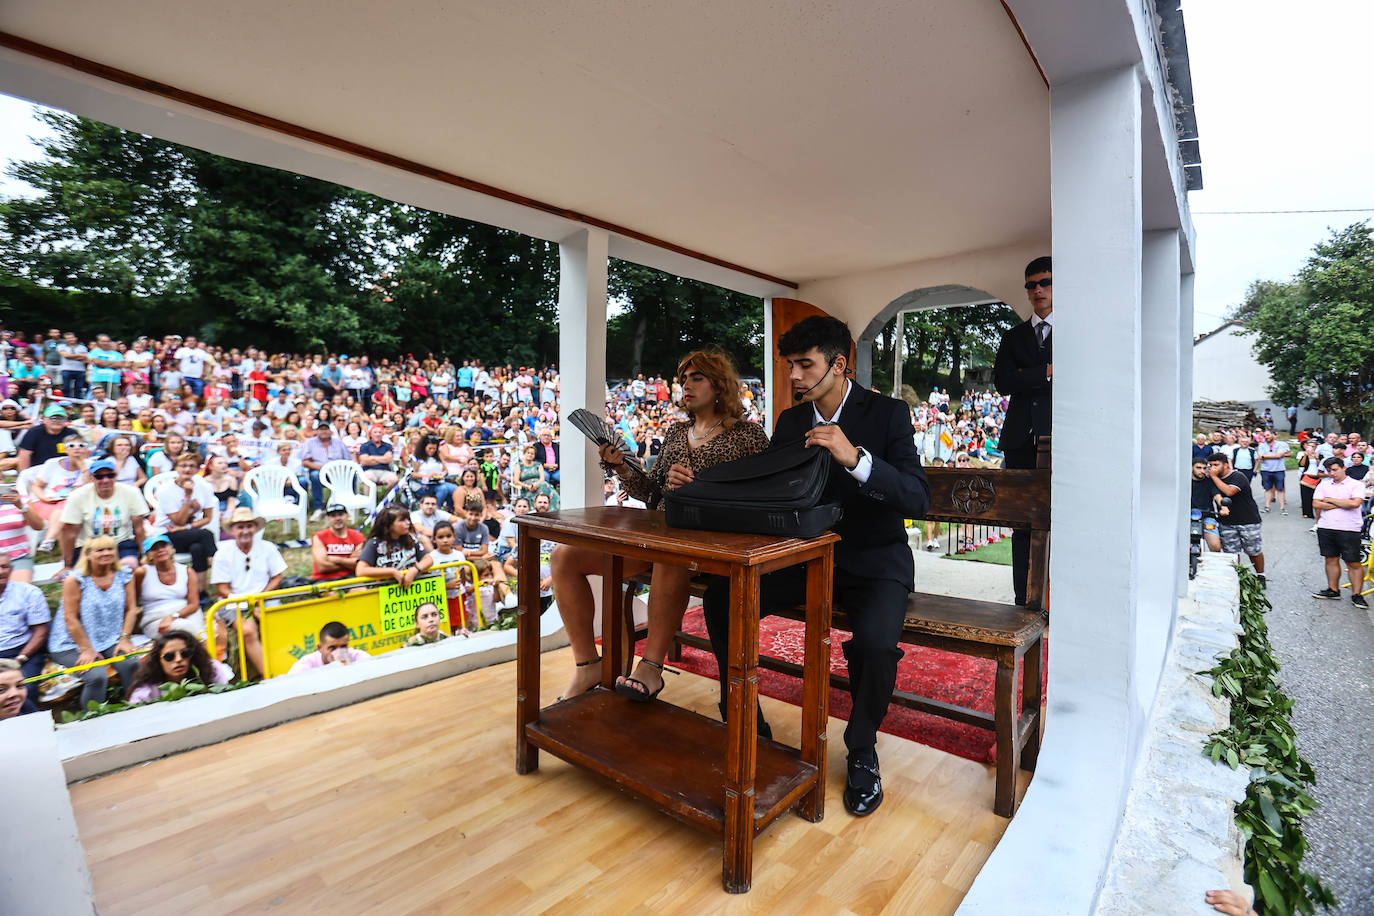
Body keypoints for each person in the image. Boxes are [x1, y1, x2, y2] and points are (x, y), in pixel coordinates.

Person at [701, 318, 929, 818]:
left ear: (839, 364)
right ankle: (742, 716)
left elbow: (917, 495)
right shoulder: (789, 422)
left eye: (806, 365)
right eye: (790, 366)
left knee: (875, 644)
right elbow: (765, 489)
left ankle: (863, 746)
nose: (795, 376)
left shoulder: (888, 414)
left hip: (874, 559)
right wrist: (698, 479)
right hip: (802, 559)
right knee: (720, 595)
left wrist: (856, 458)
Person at [993, 256, 1053, 606]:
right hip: (1018, 440)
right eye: (1031, 285)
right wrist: (1045, 372)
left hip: (1059, 440)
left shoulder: (1074, 330)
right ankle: (1022, 598)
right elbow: (1002, 382)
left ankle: (1053, 599)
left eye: (1044, 282)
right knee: (1020, 524)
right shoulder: (1013, 336)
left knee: (1056, 522)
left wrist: (1024, 375)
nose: (1037, 290)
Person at [46, 536, 142, 710]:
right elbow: (70, 618)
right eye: (100, 550)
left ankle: (136, 706)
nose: (106, 553)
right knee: (97, 676)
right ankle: (92, 718)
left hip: (109, 637)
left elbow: (131, 609)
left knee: (132, 663)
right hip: (71, 643)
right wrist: (86, 649)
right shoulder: (75, 580)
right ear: (88, 555)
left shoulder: (124, 575)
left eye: (110, 549)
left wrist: (125, 638)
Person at [209, 508, 286, 678]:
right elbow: (222, 588)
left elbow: (277, 577)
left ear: (255, 528)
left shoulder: (267, 547)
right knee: (248, 630)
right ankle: (269, 675)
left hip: (265, 597)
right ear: (233, 530)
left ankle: (286, 665)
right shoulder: (223, 553)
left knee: (277, 623)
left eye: (249, 526)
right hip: (235, 601)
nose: (245, 531)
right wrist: (248, 602)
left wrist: (260, 598)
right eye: (240, 527)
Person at [58, 457, 149, 573]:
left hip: (121, 543)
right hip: (88, 546)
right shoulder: (77, 496)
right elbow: (70, 533)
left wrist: (143, 556)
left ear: (115, 476)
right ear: (91, 478)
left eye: (110, 476)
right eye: (99, 477)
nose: (105, 480)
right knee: (87, 572)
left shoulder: (131, 492)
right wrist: (67, 565)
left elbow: (139, 529)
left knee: (129, 566)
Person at [1310, 456, 1367, 608]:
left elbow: (1355, 503)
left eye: (1335, 470)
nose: (1332, 473)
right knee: (1330, 559)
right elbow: (1316, 503)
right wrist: (1342, 503)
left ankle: (1357, 594)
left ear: (1343, 468)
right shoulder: (1324, 485)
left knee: (1353, 561)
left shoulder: (1356, 485)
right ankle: (1333, 589)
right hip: (1326, 526)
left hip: (1349, 528)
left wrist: (1330, 500)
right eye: (1329, 471)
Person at [148, 453, 218, 574]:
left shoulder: (204, 487)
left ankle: (200, 591)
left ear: (197, 469)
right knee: (206, 534)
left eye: (192, 466)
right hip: (166, 534)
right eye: (183, 465)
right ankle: (218, 568)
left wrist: (187, 527)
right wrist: (187, 497)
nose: (187, 469)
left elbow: (208, 518)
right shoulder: (165, 490)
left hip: (191, 533)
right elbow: (178, 521)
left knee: (198, 548)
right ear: (176, 468)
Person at [125, 630, 234, 704]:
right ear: (158, 661)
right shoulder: (145, 690)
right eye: (169, 656)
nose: (178, 659)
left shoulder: (212, 669)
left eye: (185, 653)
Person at [0, 552, 50, 712]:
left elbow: (41, 631)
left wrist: (21, 658)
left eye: (4, 567)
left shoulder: (29, 592)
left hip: (23, 653)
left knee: (25, 687)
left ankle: (32, 725)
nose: (1, 571)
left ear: (11, 569)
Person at [1207, 452, 1266, 585]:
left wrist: (1213, 476)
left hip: (1248, 520)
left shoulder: (1238, 476)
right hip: (1227, 522)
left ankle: (1261, 575)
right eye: (1210, 465)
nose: (1213, 468)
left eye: (1216, 465)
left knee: (1253, 550)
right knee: (1231, 553)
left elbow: (1229, 492)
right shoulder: (1212, 478)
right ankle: (1236, 578)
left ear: (1226, 465)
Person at [30, 430, 92, 553]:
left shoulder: (91, 465)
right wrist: (43, 498)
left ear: (86, 449)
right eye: (71, 446)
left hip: (75, 503)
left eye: (81, 446)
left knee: (66, 507)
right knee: (64, 512)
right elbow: (36, 486)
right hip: (49, 502)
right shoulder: (52, 463)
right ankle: (65, 556)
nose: (77, 449)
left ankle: (49, 541)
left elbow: (90, 488)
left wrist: (83, 467)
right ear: (65, 449)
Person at [133, 534, 204, 639]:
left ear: (171, 549)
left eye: (163, 546)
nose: (160, 550)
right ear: (148, 555)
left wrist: (172, 616)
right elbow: (132, 602)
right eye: (154, 549)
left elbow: (193, 604)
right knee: (186, 628)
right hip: (155, 618)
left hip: (184, 612)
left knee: (200, 633)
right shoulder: (142, 572)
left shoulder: (187, 571)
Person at [356, 504, 434, 590]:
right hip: (384, 593)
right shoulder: (374, 543)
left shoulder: (411, 539)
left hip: (413, 590)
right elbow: (361, 570)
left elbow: (428, 559)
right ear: (389, 525)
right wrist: (392, 572)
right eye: (402, 520)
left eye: (408, 519)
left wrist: (415, 570)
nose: (408, 523)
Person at [298, 421, 350, 519]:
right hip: (319, 471)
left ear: (330, 431)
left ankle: (346, 504)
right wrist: (324, 469)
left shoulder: (338, 442)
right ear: (316, 431)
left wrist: (339, 469)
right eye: (321, 429)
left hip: (337, 472)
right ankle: (318, 508)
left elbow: (348, 459)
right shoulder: (309, 443)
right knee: (315, 475)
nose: (324, 431)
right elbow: (305, 462)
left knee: (351, 476)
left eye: (326, 429)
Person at [0, 486, 45, 583]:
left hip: (17, 558)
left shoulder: (19, 498)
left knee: (19, 592)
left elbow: (39, 526)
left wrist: (21, 506)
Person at [287, 620, 370, 673]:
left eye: (343, 647)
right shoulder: (306, 664)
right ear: (320, 648)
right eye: (332, 648)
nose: (338, 653)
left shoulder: (358, 656)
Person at [310, 503, 364, 583]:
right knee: (333, 595)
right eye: (333, 516)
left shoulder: (357, 536)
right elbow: (322, 567)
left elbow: (361, 563)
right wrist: (349, 562)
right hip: (323, 579)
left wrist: (337, 560)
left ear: (347, 516)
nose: (337, 518)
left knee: (360, 591)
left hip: (351, 577)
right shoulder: (319, 537)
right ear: (328, 519)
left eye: (341, 514)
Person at [1190, 457, 1223, 552]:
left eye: (1204, 468)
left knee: (1216, 547)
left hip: (1207, 516)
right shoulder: (1185, 481)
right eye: (1198, 468)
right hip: (1186, 517)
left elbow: (1217, 496)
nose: (1202, 471)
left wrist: (1223, 506)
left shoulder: (1210, 482)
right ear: (1192, 468)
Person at [1256, 430, 1290, 515]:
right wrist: (1275, 456)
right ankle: (1267, 506)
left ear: (1273, 435)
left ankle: (1282, 508)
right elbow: (1260, 457)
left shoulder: (1281, 444)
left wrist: (1265, 456)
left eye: (1268, 435)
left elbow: (1279, 455)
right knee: (1267, 488)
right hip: (1266, 470)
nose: (1266, 437)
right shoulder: (1262, 445)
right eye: (1265, 436)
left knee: (1280, 489)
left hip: (1279, 469)